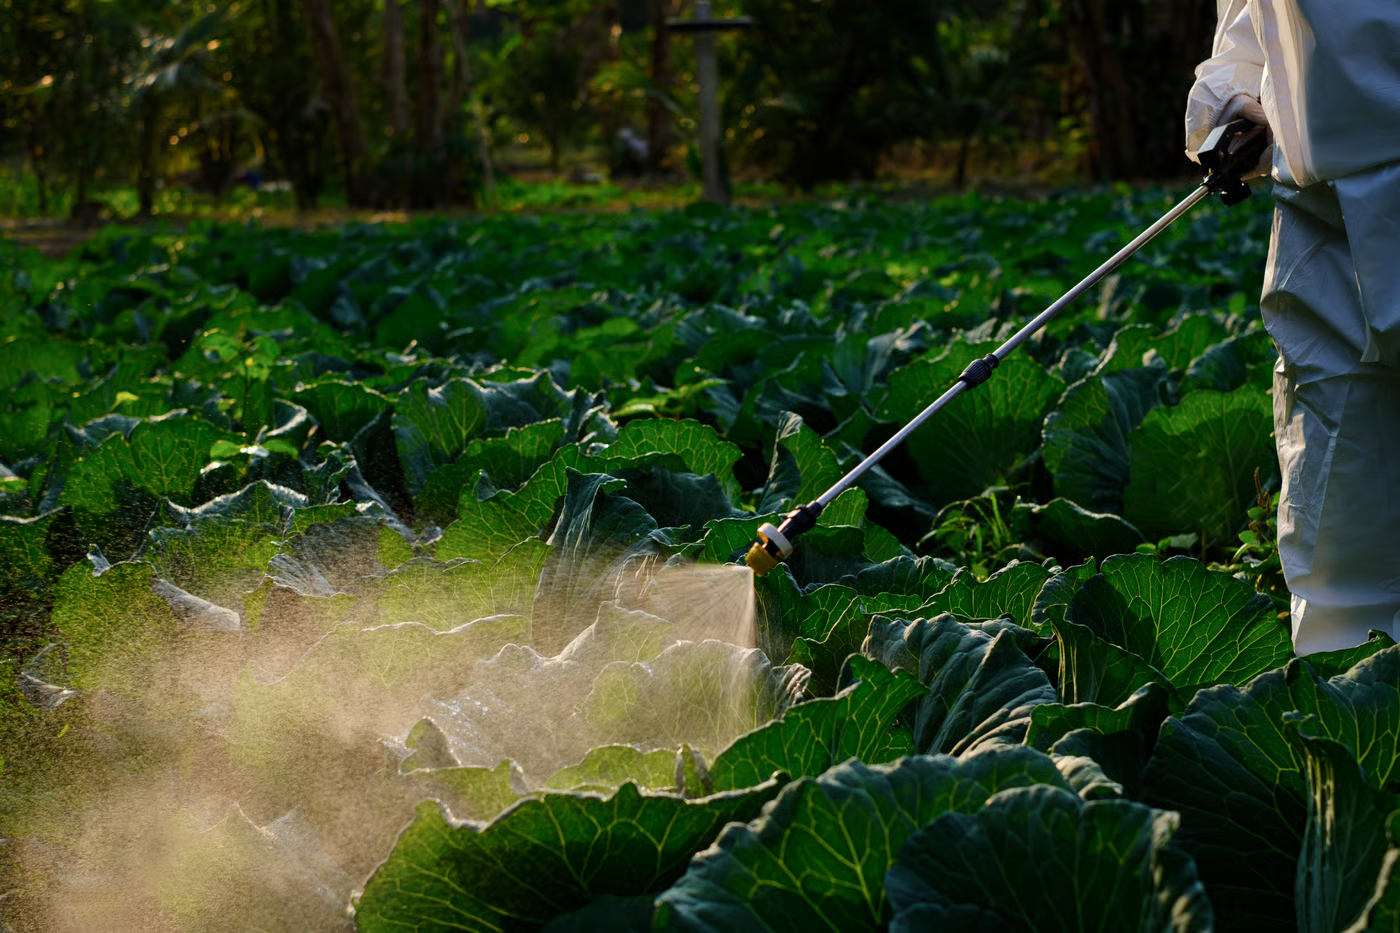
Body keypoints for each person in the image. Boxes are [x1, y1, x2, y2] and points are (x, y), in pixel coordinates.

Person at [1186, 1, 1400, 654]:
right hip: (1324, 218)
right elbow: (1254, 20)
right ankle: (1359, 740)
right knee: (1339, 558)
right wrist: (1234, 98)